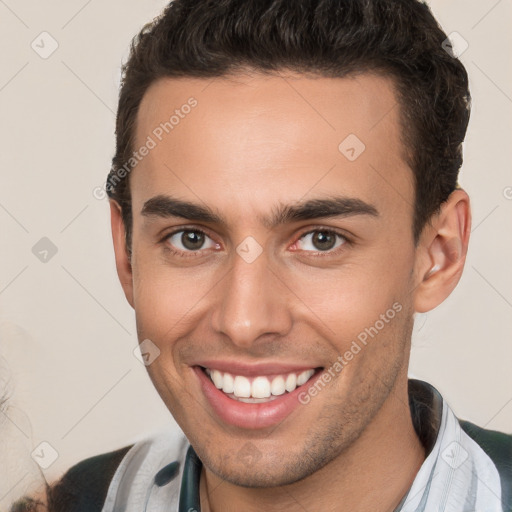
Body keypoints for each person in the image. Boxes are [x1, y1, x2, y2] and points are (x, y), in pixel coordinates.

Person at [12, 0, 511, 510]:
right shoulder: (71, 502)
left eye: (321, 239)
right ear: (127, 253)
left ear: (438, 254)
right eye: (191, 238)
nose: (244, 321)